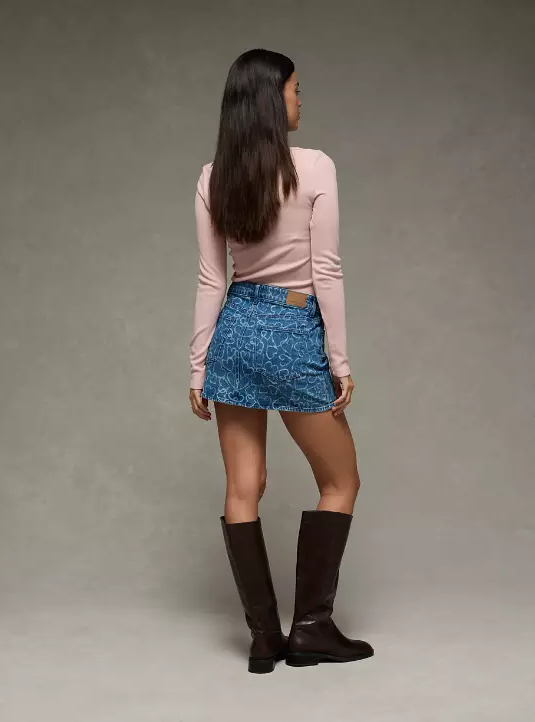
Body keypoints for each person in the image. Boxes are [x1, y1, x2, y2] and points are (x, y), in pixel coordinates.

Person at [188, 48, 374, 674]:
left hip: (235, 333)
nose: (300, 99)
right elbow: (327, 269)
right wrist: (339, 360)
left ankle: (264, 637)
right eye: (295, 89)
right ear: (272, 100)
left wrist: (197, 365)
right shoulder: (313, 166)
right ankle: (312, 628)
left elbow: (212, 278)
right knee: (340, 480)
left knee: (243, 488)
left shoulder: (214, 176)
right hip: (293, 333)